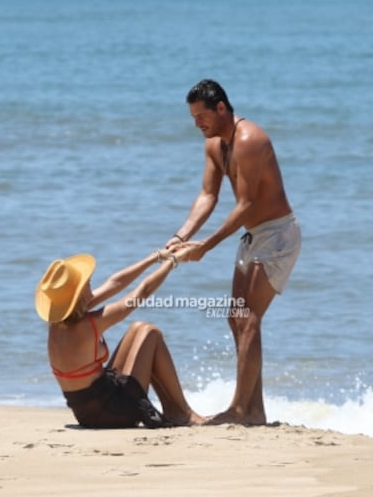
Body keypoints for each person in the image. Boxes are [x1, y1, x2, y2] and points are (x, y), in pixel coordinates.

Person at [166, 79, 301, 425]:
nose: (197, 124)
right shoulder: (214, 146)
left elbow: (246, 204)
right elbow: (208, 196)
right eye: (193, 118)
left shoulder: (249, 141)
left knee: (249, 317)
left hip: (277, 234)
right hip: (253, 236)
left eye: (201, 116)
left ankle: (241, 410)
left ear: (221, 108)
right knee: (236, 316)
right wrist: (181, 237)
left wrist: (205, 248)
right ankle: (254, 410)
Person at [35, 248, 205, 428]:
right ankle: (182, 412)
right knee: (150, 332)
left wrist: (155, 257)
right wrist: (172, 262)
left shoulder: (57, 323)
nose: (91, 286)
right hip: (111, 413)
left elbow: (115, 283)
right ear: (78, 294)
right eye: (88, 283)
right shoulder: (88, 325)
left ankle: (174, 409)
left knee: (137, 328)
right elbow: (141, 293)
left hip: (86, 412)